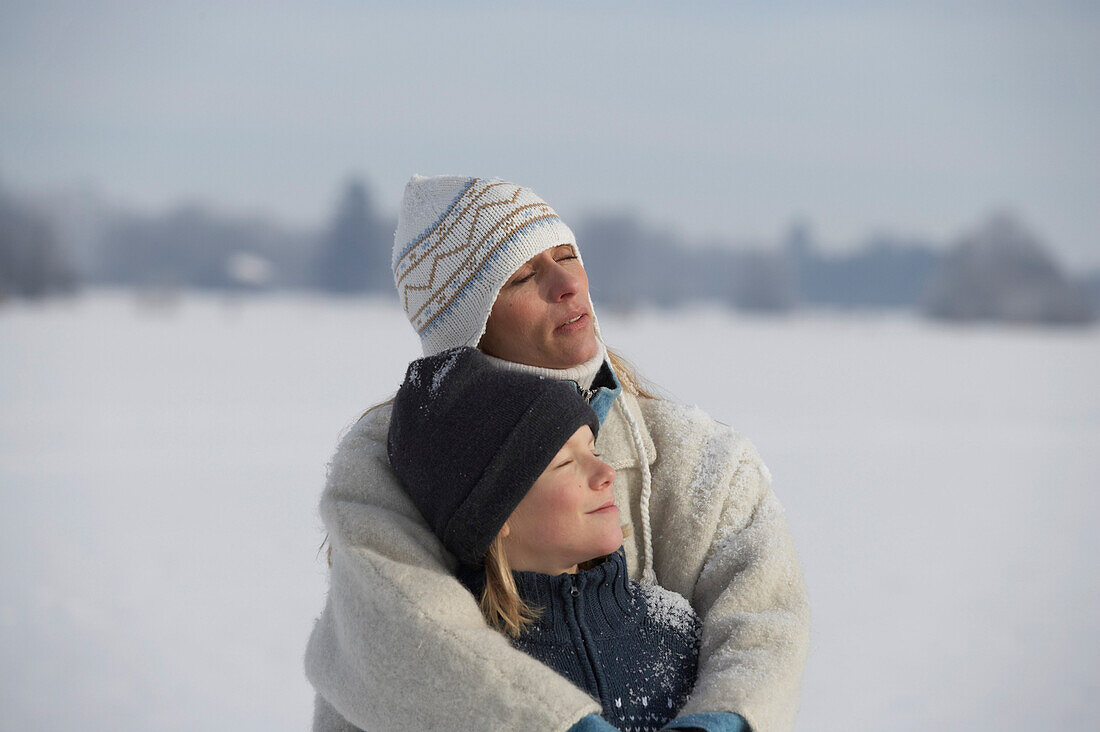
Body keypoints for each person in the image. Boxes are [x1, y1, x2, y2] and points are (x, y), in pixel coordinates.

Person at [305, 175, 810, 732]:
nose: (568, 283)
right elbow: (400, 626)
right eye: (523, 275)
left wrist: (722, 720)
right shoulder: (388, 460)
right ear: (466, 328)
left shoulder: (700, 456)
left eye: (568, 254)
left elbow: (765, 616)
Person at [387, 346, 703, 731]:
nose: (606, 472)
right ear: (496, 515)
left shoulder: (676, 634)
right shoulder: (465, 673)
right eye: (566, 463)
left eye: (594, 449)